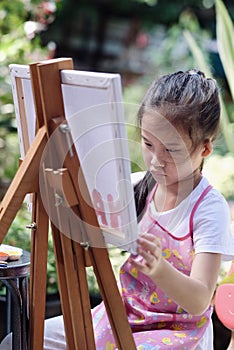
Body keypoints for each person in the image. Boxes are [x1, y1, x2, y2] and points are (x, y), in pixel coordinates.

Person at [1, 69, 233, 350]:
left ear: (205, 149)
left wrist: (159, 268)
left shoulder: (209, 209)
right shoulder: (138, 187)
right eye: (148, 144)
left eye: (171, 150)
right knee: (19, 341)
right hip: (120, 315)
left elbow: (199, 300)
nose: (156, 161)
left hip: (174, 332)